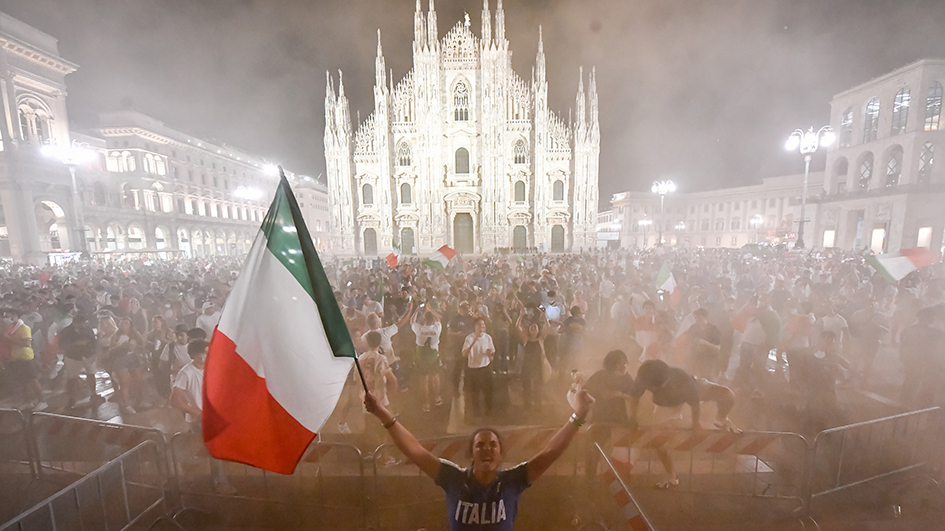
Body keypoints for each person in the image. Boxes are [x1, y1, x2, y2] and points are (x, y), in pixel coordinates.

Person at [363, 386, 594, 530]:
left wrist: (579, 415)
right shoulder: (453, 478)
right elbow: (415, 451)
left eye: (493, 444)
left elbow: (549, 454)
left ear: (500, 454)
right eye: (480, 445)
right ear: (471, 454)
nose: (487, 449)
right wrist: (381, 412)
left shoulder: (512, 481)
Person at [628, 359, 739, 488]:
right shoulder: (643, 378)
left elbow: (694, 403)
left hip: (692, 389)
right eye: (653, 387)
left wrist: (695, 424)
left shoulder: (682, 377)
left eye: (659, 386)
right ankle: (671, 476)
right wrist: (633, 418)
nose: (655, 389)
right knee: (659, 440)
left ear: (667, 376)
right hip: (665, 404)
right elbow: (634, 397)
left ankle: (721, 418)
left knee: (728, 395)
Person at [170, 339, 236, 495]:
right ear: (193, 355)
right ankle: (219, 483)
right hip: (201, 420)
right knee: (215, 448)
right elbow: (174, 400)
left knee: (215, 446)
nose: (207, 355)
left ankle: (191, 461)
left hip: (216, 415)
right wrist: (196, 412)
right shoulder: (186, 373)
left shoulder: (211, 368)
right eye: (204, 353)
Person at [583, 350, 634, 478]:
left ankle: (623, 480)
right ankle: (590, 481)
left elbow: (633, 396)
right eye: (621, 363)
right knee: (595, 449)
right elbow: (586, 391)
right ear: (613, 364)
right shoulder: (600, 375)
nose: (624, 366)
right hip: (601, 418)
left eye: (625, 363)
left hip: (620, 419)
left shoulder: (627, 378)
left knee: (622, 451)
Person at [2, 307, 46, 410]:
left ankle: (42, 401)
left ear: (15, 316)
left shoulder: (24, 328)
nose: (5, 318)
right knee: (22, 382)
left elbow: (27, 343)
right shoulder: (11, 327)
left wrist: (10, 339)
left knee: (32, 380)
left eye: (7, 316)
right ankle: (28, 401)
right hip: (16, 358)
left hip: (25, 358)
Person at [58, 312, 103, 410]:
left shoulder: (88, 329)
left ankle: (93, 393)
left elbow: (93, 342)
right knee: (72, 378)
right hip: (73, 357)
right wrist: (76, 343)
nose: (85, 324)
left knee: (91, 374)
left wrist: (95, 353)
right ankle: (72, 398)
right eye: (84, 322)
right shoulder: (66, 331)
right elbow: (62, 345)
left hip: (88, 355)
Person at [412, 307, 444, 412]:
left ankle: (426, 404)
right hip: (433, 356)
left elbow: (412, 321)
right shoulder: (437, 328)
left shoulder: (419, 329)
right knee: (435, 378)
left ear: (424, 320)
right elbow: (439, 319)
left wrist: (416, 311)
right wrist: (431, 310)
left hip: (421, 357)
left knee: (423, 380)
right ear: (433, 319)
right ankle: (437, 398)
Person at [463, 317, 496, 419]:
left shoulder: (488, 337)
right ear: (475, 326)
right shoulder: (469, 338)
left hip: (485, 367)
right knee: (475, 393)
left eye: (483, 325)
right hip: (473, 369)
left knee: (488, 391)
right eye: (480, 325)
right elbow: (464, 354)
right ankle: (476, 413)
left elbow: (493, 352)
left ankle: (488, 411)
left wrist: (490, 353)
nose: (482, 327)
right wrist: (474, 341)